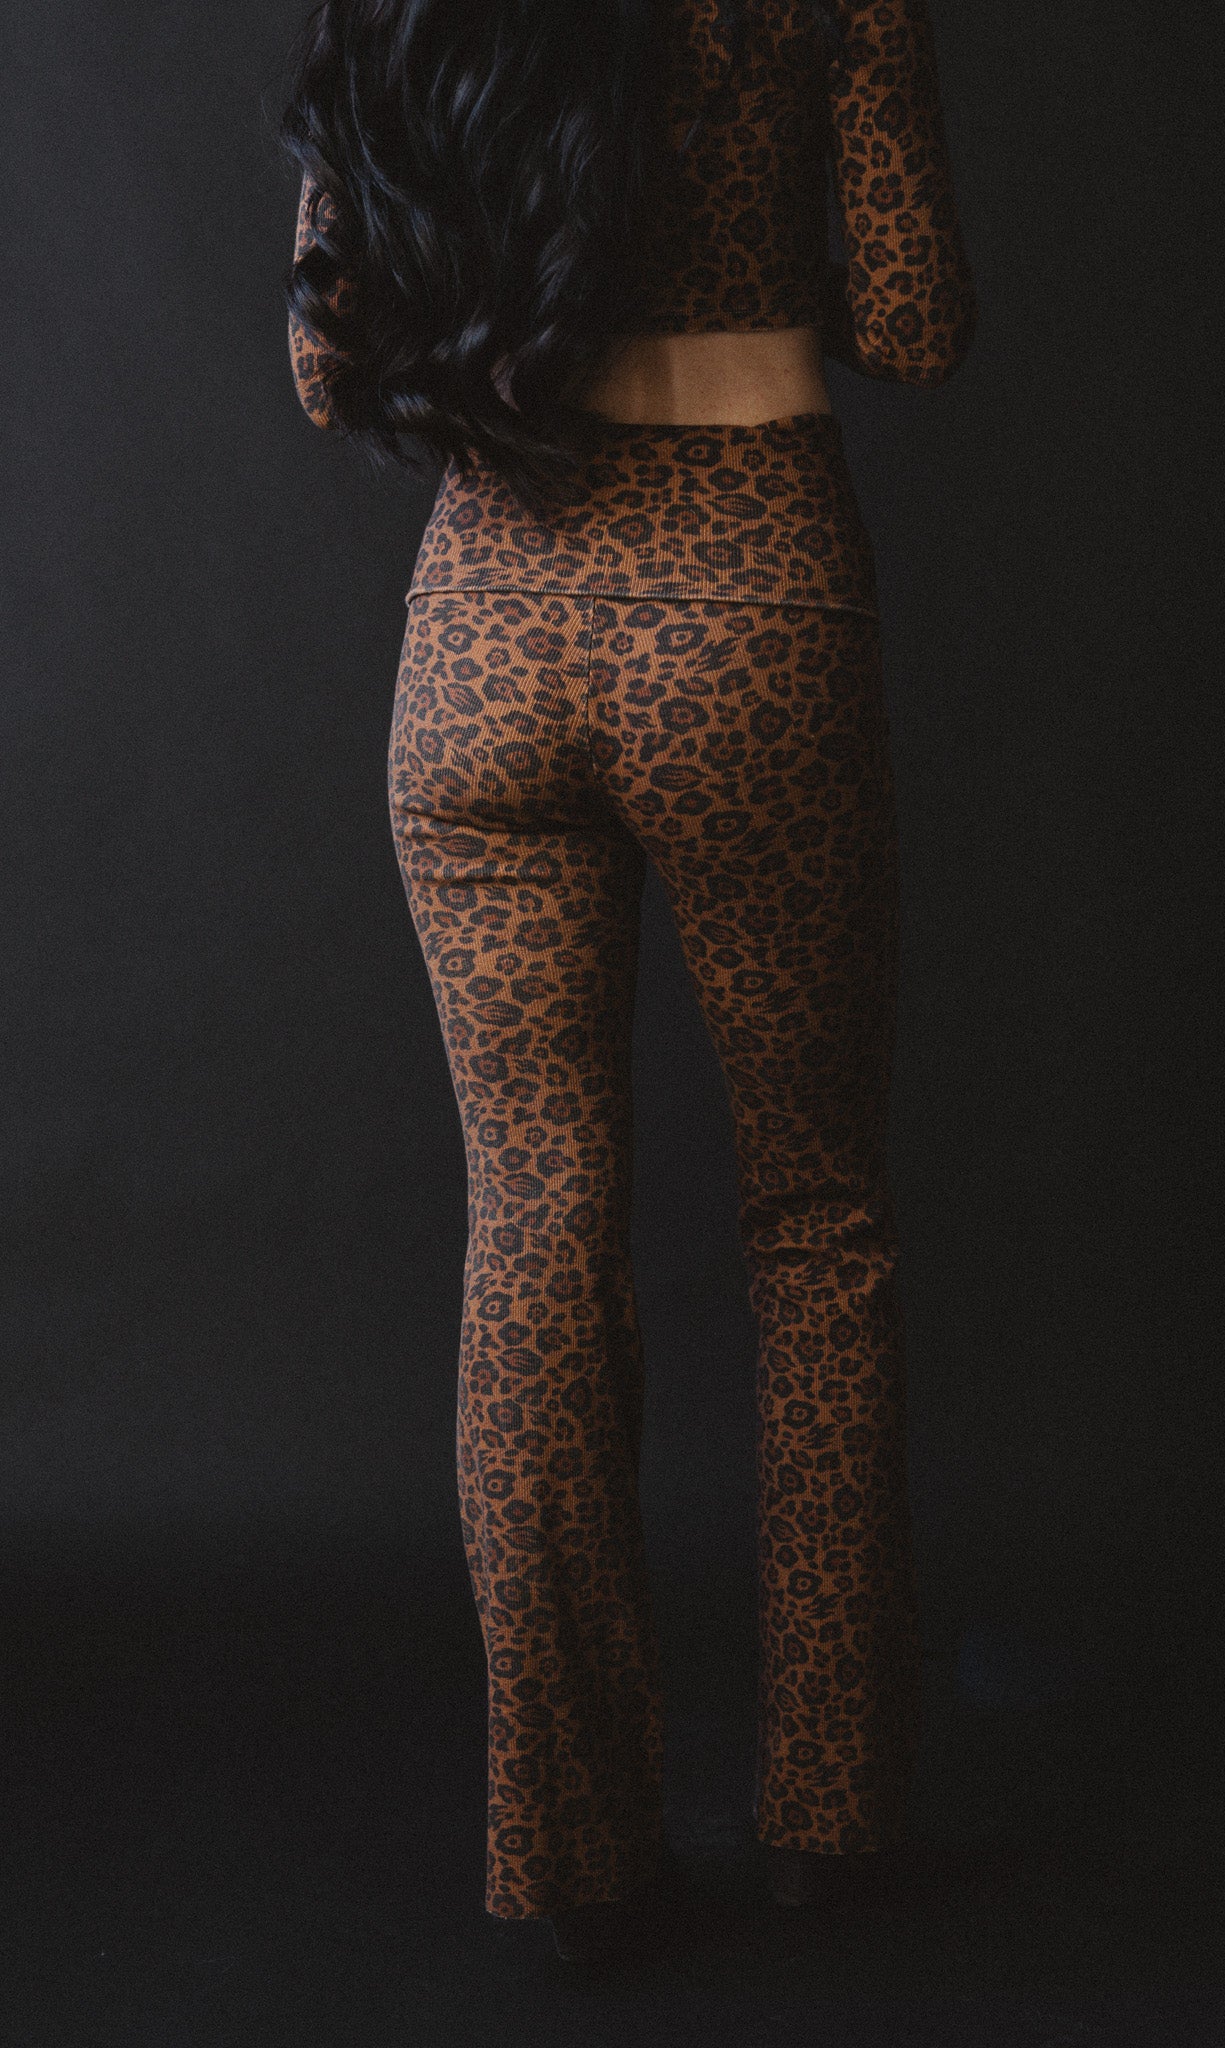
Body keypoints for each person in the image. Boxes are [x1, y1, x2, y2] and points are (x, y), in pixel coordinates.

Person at [279, 0, 977, 1967]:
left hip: (482, 635)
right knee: (816, 1220)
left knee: (533, 1228)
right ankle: (827, 1810)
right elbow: (919, 320)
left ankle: (570, 1845)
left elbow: (328, 368)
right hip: (745, 606)